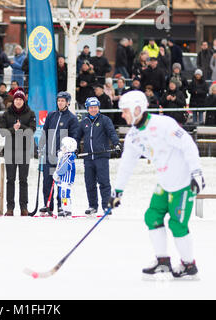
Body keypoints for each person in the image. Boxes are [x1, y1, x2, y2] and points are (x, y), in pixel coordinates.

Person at [108, 90, 205, 279]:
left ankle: (189, 265)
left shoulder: (163, 124)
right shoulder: (133, 136)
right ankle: (163, 261)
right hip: (165, 182)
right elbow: (127, 164)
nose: (122, 115)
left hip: (184, 182)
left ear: (137, 109)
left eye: (125, 110)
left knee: (177, 224)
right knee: (152, 216)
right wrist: (117, 191)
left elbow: (188, 145)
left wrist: (197, 173)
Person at [77, 96, 121, 216]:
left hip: (101, 156)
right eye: (91, 107)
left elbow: (112, 132)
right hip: (88, 158)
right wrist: (73, 147)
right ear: (87, 108)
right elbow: (77, 137)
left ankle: (106, 206)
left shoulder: (105, 120)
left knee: (104, 182)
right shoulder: (84, 122)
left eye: (95, 107)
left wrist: (116, 143)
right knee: (89, 183)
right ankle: (92, 206)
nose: (93, 110)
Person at [38, 91, 79, 216]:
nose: (60, 103)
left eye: (63, 101)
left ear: (67, 102)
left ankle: (61, 206)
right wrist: (40, 147)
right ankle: (48, 205)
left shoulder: (72, 118)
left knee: (61, 183)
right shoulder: (51, 115)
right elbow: (44, 132)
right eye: (58, 100)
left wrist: (69, 151)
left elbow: (74, 137)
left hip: (62, 158)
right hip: (49, 156)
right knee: (47, 182)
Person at [0, 89, 36, 216]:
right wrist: (13, 129)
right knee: (10, 180)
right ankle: (10, 208)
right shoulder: (6, 114)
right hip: (10, 151)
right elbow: (2, 132)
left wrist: (21, 127)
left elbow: (31, 131)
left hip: (24, 151)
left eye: (20, 99)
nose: (18, 101)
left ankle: (23, 207)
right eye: (16, 99)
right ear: (13, 100)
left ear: (23, 100)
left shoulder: (30, 113)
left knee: (23, 180)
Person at [52, 136, 77, 218]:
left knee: (65, 195)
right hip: (62, 180)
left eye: (64, 146)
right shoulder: (65, 156)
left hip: (66, 180)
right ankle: (64, 208)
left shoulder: (69, 157)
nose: (62, 148)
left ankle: (67, 209)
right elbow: (60, 166)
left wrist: (57, 174)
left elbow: (63, 168)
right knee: (62, 195)